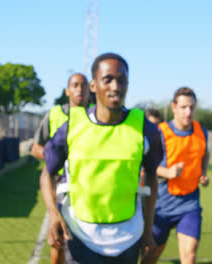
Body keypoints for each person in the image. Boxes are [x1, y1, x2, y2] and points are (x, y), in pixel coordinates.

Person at [40, 52, 163, 263]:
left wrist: (148, 228)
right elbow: (47, 174)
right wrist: (53, 215)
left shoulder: (145, 130)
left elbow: (152, 178)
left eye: (122, 80)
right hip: (81, 236)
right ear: (94, 85)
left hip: (128, 237)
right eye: (108, 80)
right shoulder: (72, 127)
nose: (116, 87)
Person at [31, 73, 89, 264]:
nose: (79, 89)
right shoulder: (55, 114)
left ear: (91, 89)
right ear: (67, 90)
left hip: (86, 189)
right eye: (75, 85)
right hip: (57, 187)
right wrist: (58, 157)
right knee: (58, 241)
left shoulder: (96, 117)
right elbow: (35, 148)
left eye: (83, 85)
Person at [148, 87, 210, 264]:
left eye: (191, 107)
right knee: (151, 255)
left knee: (189, 255)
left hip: (189, 204)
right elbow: (147, 165)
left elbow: (205, 153)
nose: (188, 112)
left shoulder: (201, 131)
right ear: (174, 107)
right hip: (162, 205)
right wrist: (167, 172)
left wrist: (203, 173)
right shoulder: (160, 132)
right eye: (183, 107)